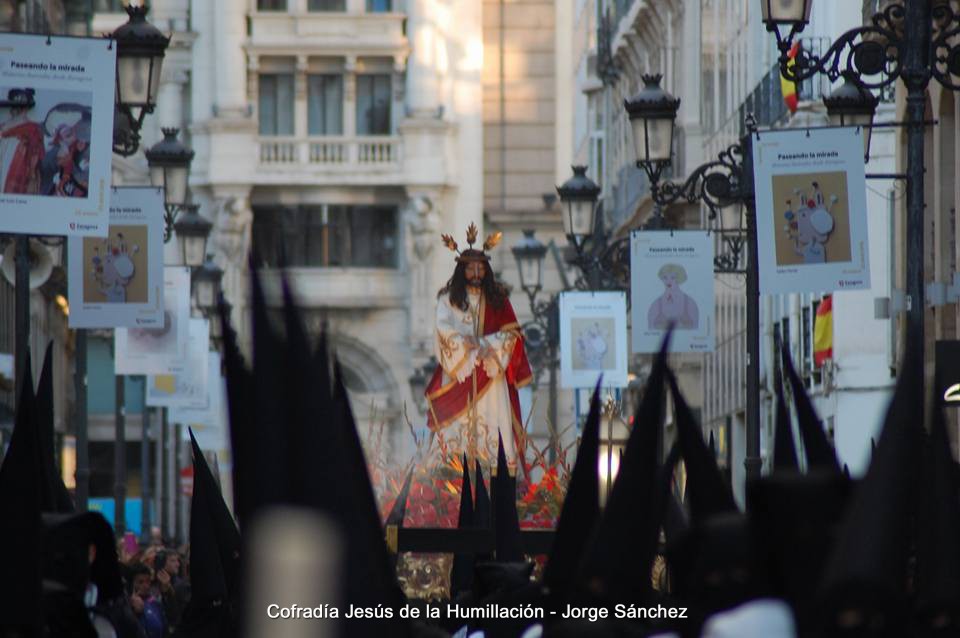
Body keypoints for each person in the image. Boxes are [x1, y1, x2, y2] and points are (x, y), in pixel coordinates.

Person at [425, 223, 533, 478]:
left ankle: (495, 478)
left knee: (493, 436)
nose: (476, 272)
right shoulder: (448, 299)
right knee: (454, 437)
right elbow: (442, 330)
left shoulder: (497, 299)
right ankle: (448, 480)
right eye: (471, 267)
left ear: (487, 270)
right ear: (462, 270)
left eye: (480, 267)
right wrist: (467, 348)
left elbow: (514, 334)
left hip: (489, 377)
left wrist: (487, 346)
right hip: (459, 374)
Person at [0, 88, 43, 194]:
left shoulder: (32, 129)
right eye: (15, 105)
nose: (17, 109)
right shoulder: (3, 126)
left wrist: (32, 174)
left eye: (21, 106)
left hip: (18, 172)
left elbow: (36, 154)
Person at [647, 263, 699, 330]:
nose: (668, 281)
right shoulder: (656, 304)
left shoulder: (690, 303)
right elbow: (650, 329)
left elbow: (697, 329)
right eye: (665, 277)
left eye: (673, 277)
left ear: (679, 278)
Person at [129, 562, 166, 638]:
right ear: (131, 583)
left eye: (148, 581)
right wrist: (136, 613)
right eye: (140, 582)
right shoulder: (125, 606)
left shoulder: (155, 603)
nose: (146, 586)